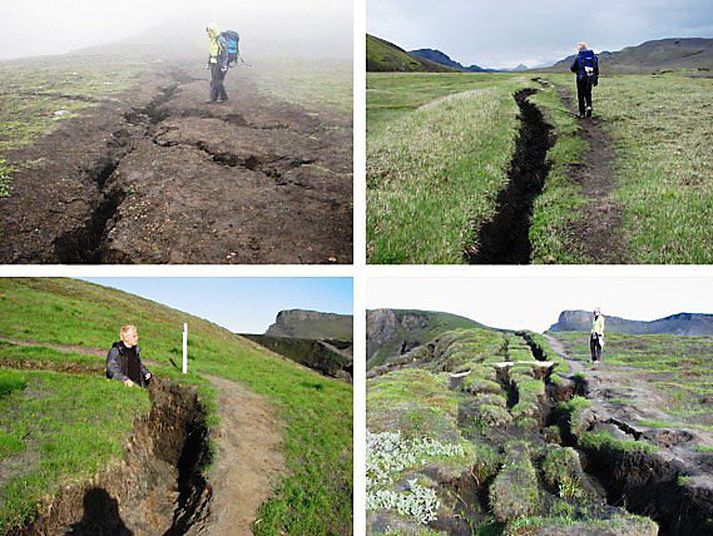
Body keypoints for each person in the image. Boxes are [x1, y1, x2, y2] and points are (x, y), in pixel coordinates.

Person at [570, 42, 599, 118]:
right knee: (588, 93)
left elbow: (572, 68)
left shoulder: (579, 57)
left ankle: (582, 113)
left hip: (581, 78)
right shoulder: (594, 57)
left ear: (579, 48)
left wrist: (577, 71)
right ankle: (589, 107)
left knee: (581, 95)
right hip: (590, 78)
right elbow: (596, 69)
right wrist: (595, 79)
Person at [206, 23, 229, 104]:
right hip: (214, 64)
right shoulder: (213, 40)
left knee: (217, 82)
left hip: (219, 64)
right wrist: (209, 63)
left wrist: (223, 65)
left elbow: (225, 53)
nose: (208, 33)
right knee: (215, 81)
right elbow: (211, 53)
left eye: (209, 31)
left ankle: (222, 97)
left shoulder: (220, 40)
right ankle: (215, 98)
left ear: (213, 31)